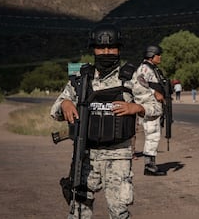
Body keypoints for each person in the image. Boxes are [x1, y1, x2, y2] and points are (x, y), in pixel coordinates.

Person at [50, 23, 162, 218]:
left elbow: (156, 107)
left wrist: (137, 107)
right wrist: (66, 103)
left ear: (119, 49)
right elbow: (56, 109)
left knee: (119, 211)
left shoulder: (131, 77)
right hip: (86, 155)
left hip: (118, 155)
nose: (106, 52)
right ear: (94, 49)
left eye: (112, 48)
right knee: (78, 210)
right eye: (101, 48)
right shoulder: (82, 77)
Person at [134, 45, 167, 176]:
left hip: (154, 106)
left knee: (154, 135)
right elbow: (138, 87)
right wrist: (154, 93)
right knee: (152, 135)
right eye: (158, 55)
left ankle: (151, 164)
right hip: (149, 106)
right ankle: (149, 166)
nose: (160, 57)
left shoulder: (152, 68)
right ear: (151, 55)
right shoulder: (144, 69)